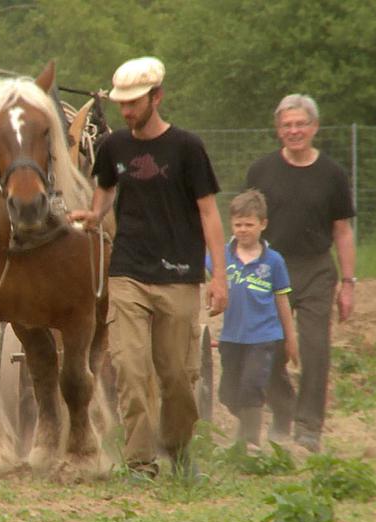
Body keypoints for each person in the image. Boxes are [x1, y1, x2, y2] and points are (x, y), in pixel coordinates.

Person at [69, 56, 228, 478]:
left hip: (178, 275)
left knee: (177, 378)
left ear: (157, 97)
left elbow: (210, 214)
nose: (126, 112)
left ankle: (177, 451)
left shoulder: (188, 148)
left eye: (134, 103)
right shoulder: (113, 148)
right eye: (122, 104)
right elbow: (104, 191)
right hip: (127, 272)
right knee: (130, 370)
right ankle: (140, 464)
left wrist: (219, 277)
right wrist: (94, 216)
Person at [246, 94, 356, 453]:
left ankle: (309, 427)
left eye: (301, 124)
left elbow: (342, 230)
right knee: (269, 350)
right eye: (287, 125)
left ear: (314, 128)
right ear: (278, 130)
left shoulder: (333, 174)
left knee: (314, 348)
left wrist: (349, 283)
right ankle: (283, 409)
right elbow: (246, 224)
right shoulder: (261, 172)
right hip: (270, 268)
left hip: (315, 270)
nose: (294, 131)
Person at [209, 189, 298, 453]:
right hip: (231, 336)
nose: (243, 230)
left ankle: (251, 443)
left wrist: (290, 338)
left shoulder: (273, 262)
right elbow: (208, 280)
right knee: (228, 392)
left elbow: (282, 301)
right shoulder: (222, 256)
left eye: (249, 224)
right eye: (238, 224)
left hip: (263, 336)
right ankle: (243, 431)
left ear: (263, 224)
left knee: (252, 386)